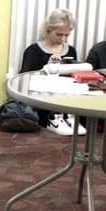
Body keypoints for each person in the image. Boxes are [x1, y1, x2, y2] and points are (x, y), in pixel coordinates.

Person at [20, 8, 84, 136]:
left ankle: (68, 117)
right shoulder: (33, 51)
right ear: (49, 29)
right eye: (59, 34)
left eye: (67, 35)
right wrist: (47, 68)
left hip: (66, 99)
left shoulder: (71, 51)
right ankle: (54, 118)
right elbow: (24, 81)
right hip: (43, 101)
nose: (63, 39)